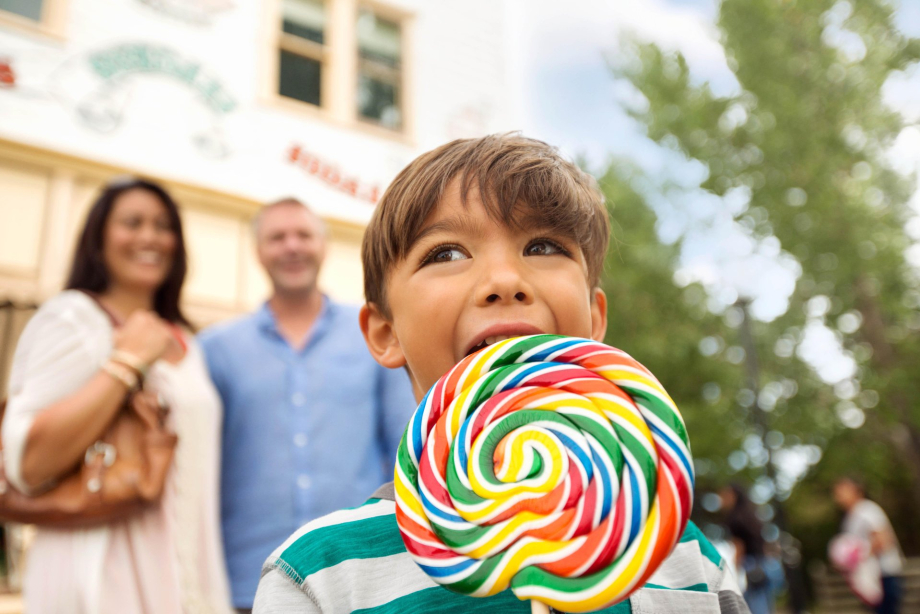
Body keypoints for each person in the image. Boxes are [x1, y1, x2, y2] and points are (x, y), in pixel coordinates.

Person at [252, 134, 750, 613]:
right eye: (446, 253)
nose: (505, 281)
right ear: (386, 332)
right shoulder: (321, 573)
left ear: (595, 318)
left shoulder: (676, 552)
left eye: (543, 247)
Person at [1, 178, 232, 613]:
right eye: (132, 222)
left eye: (164, 226)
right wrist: (126, 362)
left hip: (186, 574)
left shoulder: (187, 341)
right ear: (99, 238)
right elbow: (27, 464)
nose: (150, 236)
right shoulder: (74, 318)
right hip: (100, 569)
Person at [199, 198, 415, 612]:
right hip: (245, 582)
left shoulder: (376, 337)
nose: (291, 246)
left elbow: (404, 451)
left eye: (303, 235)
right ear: (258, 250)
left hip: (357, 575)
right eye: (276, 237)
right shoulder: (215, 349)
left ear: (324, 245)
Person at [833, 476, 904, 614]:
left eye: (842, 491)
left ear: (857, 490)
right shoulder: (849, 518)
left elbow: (884, 539)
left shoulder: (867, 510)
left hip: (884, 574)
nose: (838, 496)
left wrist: (857, 557)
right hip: (868, 579)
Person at [720, 484, 783, 614]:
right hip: (765, 565)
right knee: (765, 604)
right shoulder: (752, 515)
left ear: (733, 496)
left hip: (750, 566)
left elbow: (739, 547)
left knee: (754, 606)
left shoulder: (735, 519)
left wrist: (736, 572)